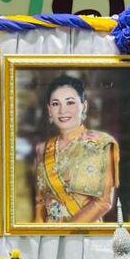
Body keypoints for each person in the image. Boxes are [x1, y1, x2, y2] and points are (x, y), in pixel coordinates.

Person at [33, 74, 119, 223]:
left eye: (70, 102)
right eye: (55, 104)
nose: (62, 110)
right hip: (48, 233)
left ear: (84, 106)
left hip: (84, 232)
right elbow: (40, 203)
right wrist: (37, 233)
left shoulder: (101, 144)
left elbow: (103, 202)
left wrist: (66, 232)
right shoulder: (42, 149)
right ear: (49, 110)